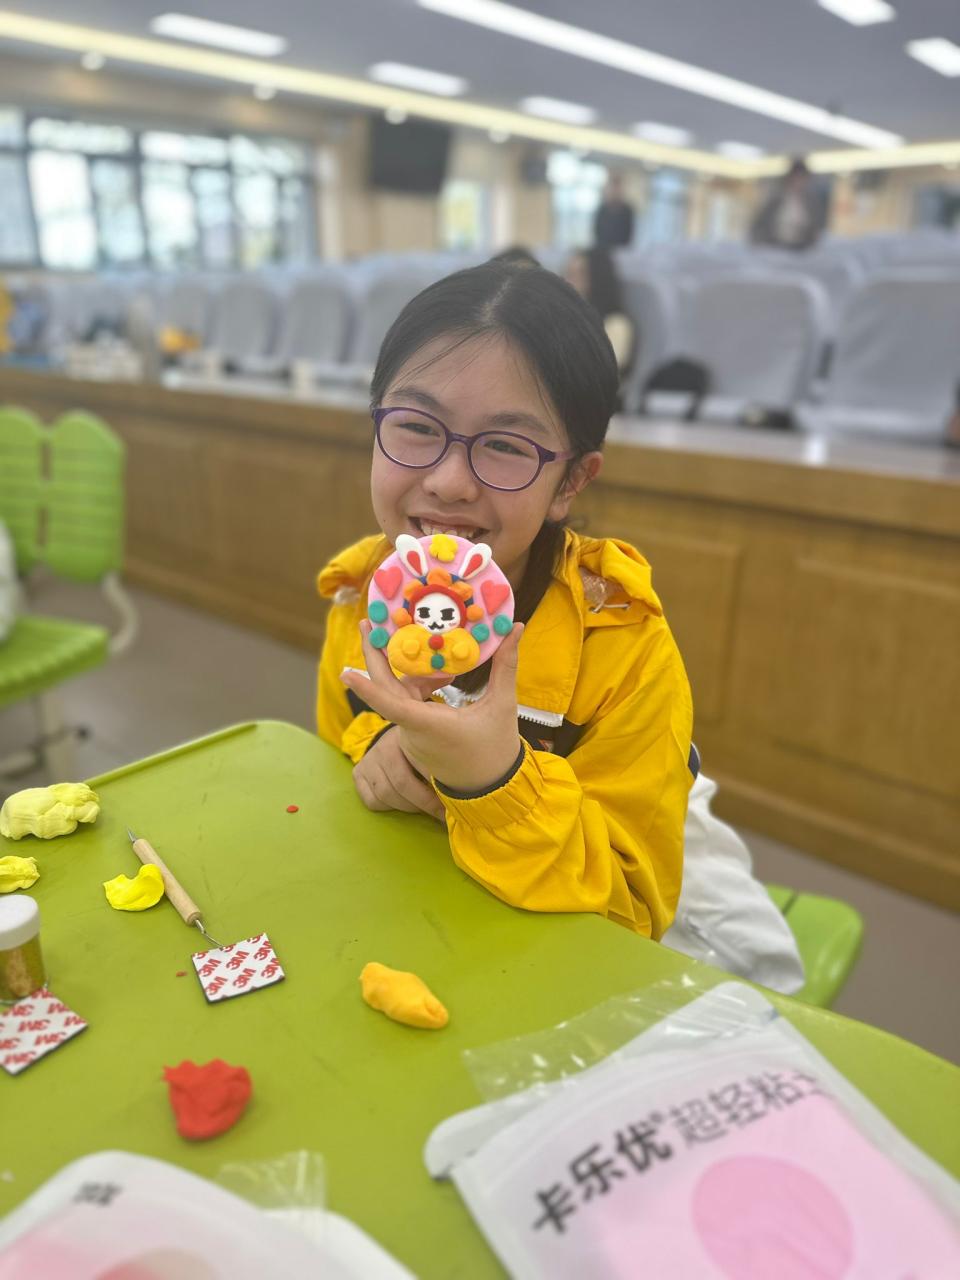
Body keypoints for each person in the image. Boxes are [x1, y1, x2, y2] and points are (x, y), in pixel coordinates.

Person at [316, 261, 693, 939]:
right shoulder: (363, 596)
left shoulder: (625, 649)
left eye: (503, 445)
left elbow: (635, 911)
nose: (449, 481)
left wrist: (492, 780)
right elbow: (329, 766)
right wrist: (384, 747)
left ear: (570, 482)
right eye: (417, 426)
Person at [565, 246, 635, 376]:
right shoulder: (563, 318)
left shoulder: (617, 324)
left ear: (598, 278)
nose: (568, 282)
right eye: (569, 274)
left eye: (579, 274)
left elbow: (602, 373)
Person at [750, 158, 828, 251]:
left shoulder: (812, 202)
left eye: (802, 178)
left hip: (802, 249)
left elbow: (817, 227)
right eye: (796, 178)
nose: (799, 182)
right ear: (790, 178)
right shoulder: (776, 199)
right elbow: (760, 223)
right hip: (775, 247)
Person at [593, 172, 635, 249]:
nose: (615, 191)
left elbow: (629, 233)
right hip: (603, 249)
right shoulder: (602, 209)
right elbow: (597, 231)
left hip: (622, 249)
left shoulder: (627, 210)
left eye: (617, 188)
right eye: (613, 188)